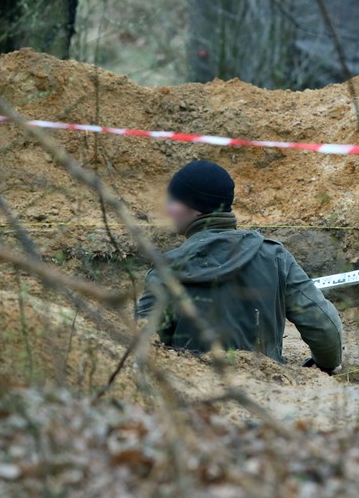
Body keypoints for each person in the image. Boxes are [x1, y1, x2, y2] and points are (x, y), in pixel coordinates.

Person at [135, 160, 343, 374]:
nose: (168, 210)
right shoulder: (275, 256)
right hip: (267, 392)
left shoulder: (167, 270)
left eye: (173, 201)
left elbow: (141, 345)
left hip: (196, 396)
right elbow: (323, 324)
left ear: (196, 209)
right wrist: (326, 364)